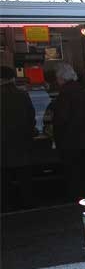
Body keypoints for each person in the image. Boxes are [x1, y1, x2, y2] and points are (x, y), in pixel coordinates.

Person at [52, 62, 85, 199]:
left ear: (61, 78)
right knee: (83, 168)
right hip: (83, 136)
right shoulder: (81, 90)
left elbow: (61, 119)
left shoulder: (65, 93)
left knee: (72, 170)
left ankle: (75, 196)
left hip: (69, 139)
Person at [1, 65, 36, 208]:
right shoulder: (22, 95)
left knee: (3, 180)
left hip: (2, 145)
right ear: (12, 79)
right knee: (25, 178)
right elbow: (31, 118)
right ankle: (28, 203)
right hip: (21, 143)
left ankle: (6, 205)